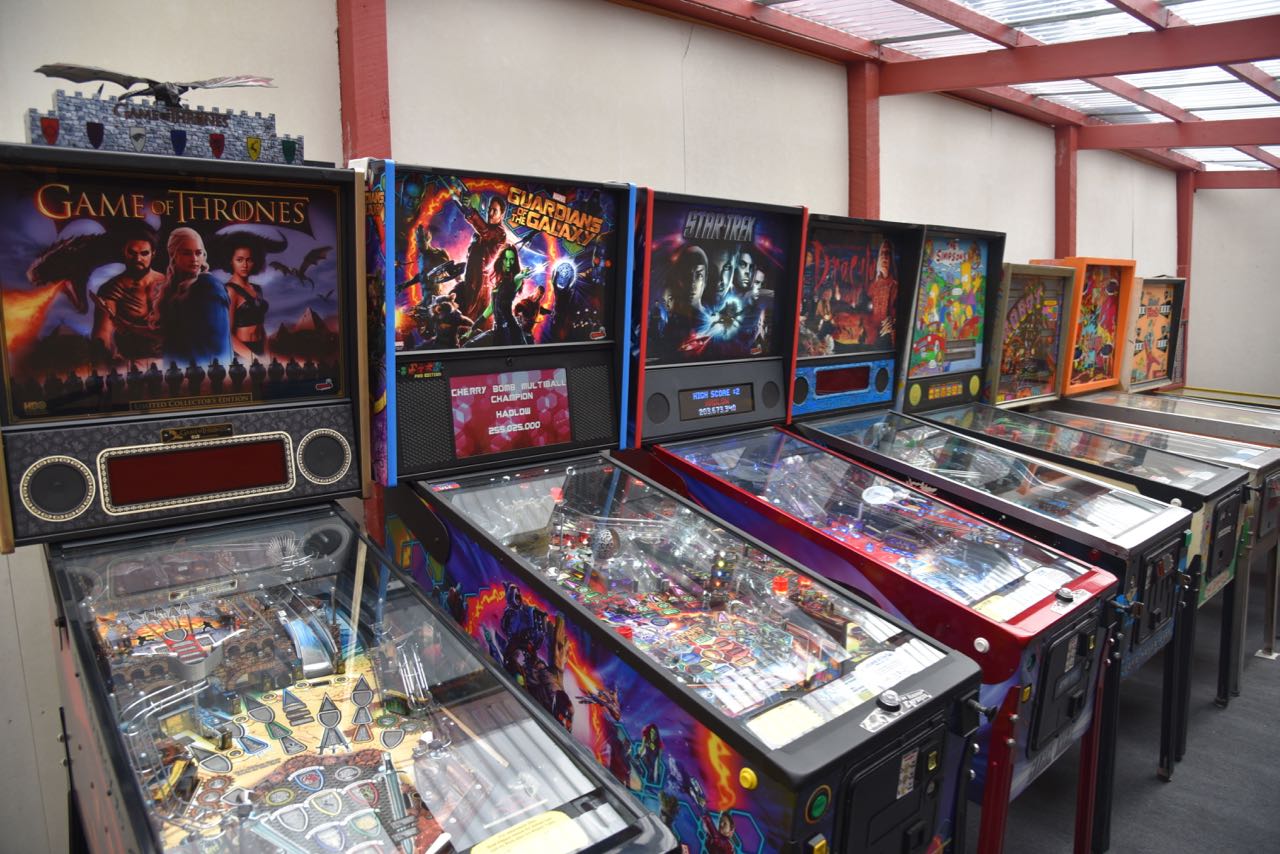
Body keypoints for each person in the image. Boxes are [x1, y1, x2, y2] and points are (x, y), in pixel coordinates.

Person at [157, 228, 230, 366]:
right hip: (176, 369)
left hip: (202, 371)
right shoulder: (174, 288)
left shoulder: (208, 285)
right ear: (173, 255)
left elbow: (217, 343)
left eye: (198, 253)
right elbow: (173, 333)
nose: (194, 259)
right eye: (186, 253)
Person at [91, 228, 164, 363]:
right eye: (132, 253)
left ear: (153, 254)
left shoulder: (168, 283)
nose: (138, 259)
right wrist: (105, 358)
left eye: (144, 253)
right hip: (133, 362)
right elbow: (103, 334)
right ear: (123, 251)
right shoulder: (112, 289)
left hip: (175, 360)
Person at [223, 242, 270, 359]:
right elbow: (227, 334)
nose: (245, 265)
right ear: (231, 261)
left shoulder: (257, 289)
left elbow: (261, 326)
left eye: (249, 260)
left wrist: (266, 354)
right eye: (239, 260)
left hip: (260, 348)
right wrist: (253, 358)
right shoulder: (230, 291)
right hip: (242, 352)